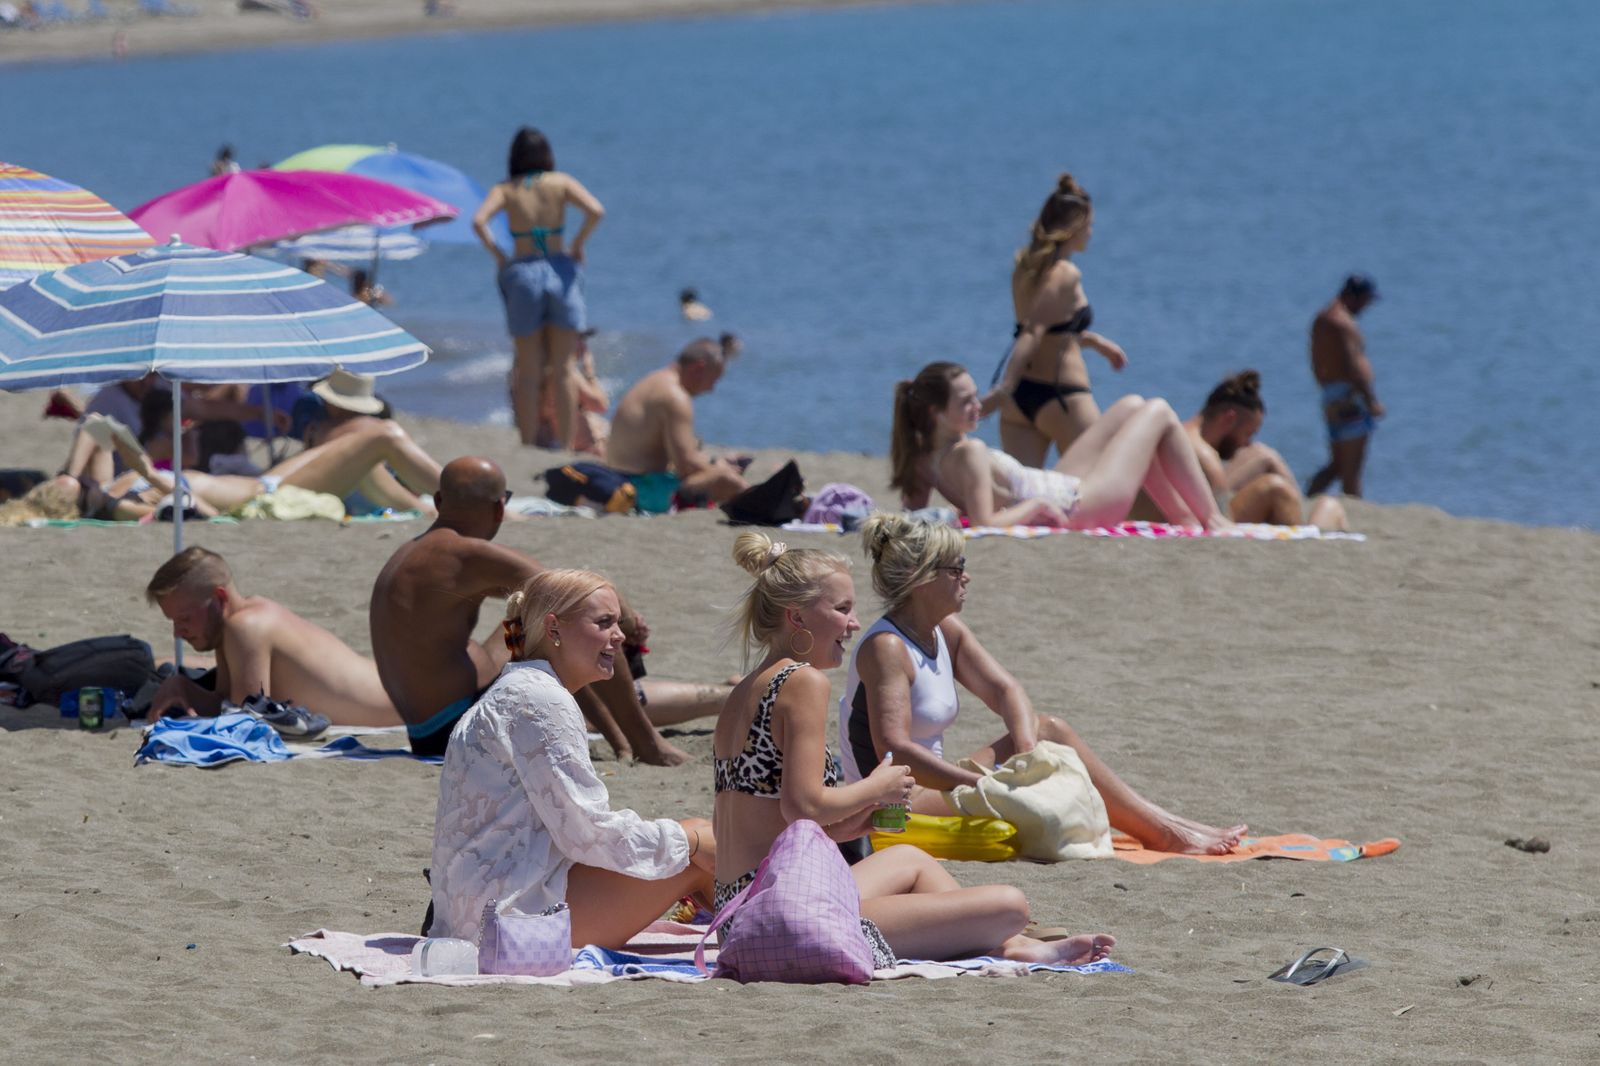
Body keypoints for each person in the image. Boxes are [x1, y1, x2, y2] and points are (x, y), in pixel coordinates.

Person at [713, 530, 1115, 966]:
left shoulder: (747, 689)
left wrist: (851, 826)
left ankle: (1007, 944)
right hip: (783, 912)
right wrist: (878, 786)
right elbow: (804, 805)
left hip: (739, 907)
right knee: (1009, 905)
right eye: (842, 609)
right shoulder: (803, 682)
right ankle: (1007, 940)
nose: (852, 624)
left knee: (910, 857)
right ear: (797, 617)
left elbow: (768, 811)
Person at [842, 513, 1247, 855]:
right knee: (1047, 793)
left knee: (1049, 729)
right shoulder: (887, 647)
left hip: (935, 784)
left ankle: (1165, 827)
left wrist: (1026, 753)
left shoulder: (942, 630)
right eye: (956, 568)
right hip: (898, 802)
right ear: (922, 579)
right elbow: (893, 751)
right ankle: (1165, 832)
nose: (967, 577)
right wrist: (982, 782)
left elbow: (1005, 691)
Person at [428, 569, 717, 946]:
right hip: (508, 922)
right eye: (604, 623)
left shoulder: (520, 688)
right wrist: (689, 842)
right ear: (553, 629)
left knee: (694, 836)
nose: (620, 636)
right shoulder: (543, 701)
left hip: (472, 908)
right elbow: (587, 834)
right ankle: (764, 936)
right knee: (701, 844)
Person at [369, 456, 702, 763]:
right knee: (586, 618)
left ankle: (620, 738)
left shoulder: (410, 553)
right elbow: (580, 592)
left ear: (439, 502)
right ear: (500, 507)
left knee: (543, 619)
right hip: (460, 727)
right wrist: (627, 621)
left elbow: (548, 596)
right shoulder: (467, 554)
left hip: (425, 732)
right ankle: (646, 742)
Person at [894, 361, 1232, 531]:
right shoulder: (970, 452)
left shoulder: (922, 460)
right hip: (1080, 505)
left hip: (1058, 484)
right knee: (1158, 411)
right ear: (935, 413)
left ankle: (1185, 517)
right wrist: (1037, 505)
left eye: (975, 396)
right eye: (966, 401)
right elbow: (985, 524)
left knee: (1131, 406)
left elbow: (914, 516)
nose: (978, 405)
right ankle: (1213, 518)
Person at [142, 547, 402, 727]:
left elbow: (244, 721)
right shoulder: (236, 623)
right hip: (401, 691)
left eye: (185, 618)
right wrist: (179, 685)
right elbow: (226, 702)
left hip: (406, 705)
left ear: (220, 598)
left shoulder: (245, 627)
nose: (177, 632)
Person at [982, 174, 1128, 467]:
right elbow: (1034, 332)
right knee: (1093, 483)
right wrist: (1001, 391)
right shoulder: (1065, 273)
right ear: (1074, 227)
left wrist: (1097, 343)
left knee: (1019, 497)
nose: (1091, 232)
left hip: (1019, 403)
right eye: (1089, 225)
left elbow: (1046, 329)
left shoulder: (1024, 268)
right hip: (1062, 397)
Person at [472, 127, 604, 448]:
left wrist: (499, 255)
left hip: (523, 270)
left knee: (528, 370)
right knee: (563, 368)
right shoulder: (561, 182)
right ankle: (569, 441)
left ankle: (528, 442)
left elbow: (479, 221)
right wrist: (577, 244)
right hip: (560, 267)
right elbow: (595, 211)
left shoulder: (506, 188)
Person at [1182, 370, 1348, 529]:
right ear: (1229, 419)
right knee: (1282, 490)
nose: (1247, 444)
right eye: (1248, 434)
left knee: (1265, 457)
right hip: (1206, 524)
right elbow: (1221, 524)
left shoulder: (1180, 436)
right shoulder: (1206, 458)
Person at [604, 335, 749, 505]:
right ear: (699, 369)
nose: (711, 389)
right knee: (727, 479)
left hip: (617, 479)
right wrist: (720, 469)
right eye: (713, 379)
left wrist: (714, 462)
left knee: (718, 470)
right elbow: (687, 467)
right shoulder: (676, 397)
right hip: (641, 490)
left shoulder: (655, 380)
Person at [1307, 274, 1382, 498]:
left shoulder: (1322, 318)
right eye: (1365, 300)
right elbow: (1353, 366)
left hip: (1331, 394)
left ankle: (1307, 499)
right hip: (1348, 397)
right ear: (1353, 296)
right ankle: (1356, 512)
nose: (1366, 307)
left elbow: (1317, 362)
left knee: (1338, 465)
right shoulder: (1342, 322)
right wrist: (1371, 401)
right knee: (1351, 469)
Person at [534, 329, 610, 454]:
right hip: (580, 450)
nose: (584, 345)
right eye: (579, 340)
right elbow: (600, 405)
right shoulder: (565, 372)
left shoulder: (537, 370)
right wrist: (589, 371)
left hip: (558, 443)